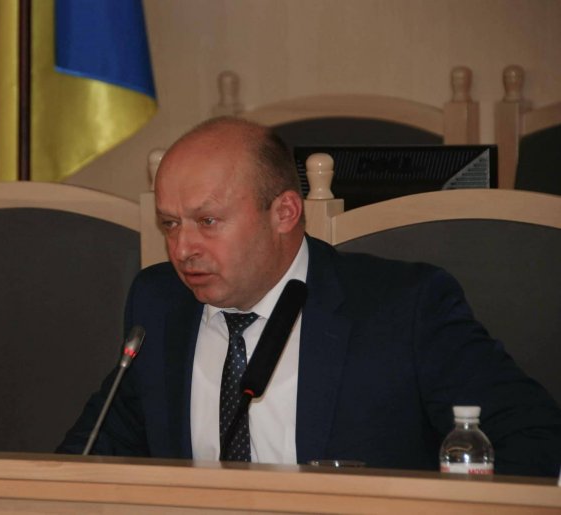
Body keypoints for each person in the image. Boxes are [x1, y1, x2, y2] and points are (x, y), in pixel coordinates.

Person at [57, 117, 561, 476]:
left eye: (207, 221)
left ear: (284, 213)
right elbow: (89, 455)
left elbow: (535, 440)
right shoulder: (160, 303)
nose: (182, 248)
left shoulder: (404, 307)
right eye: (170, 224)